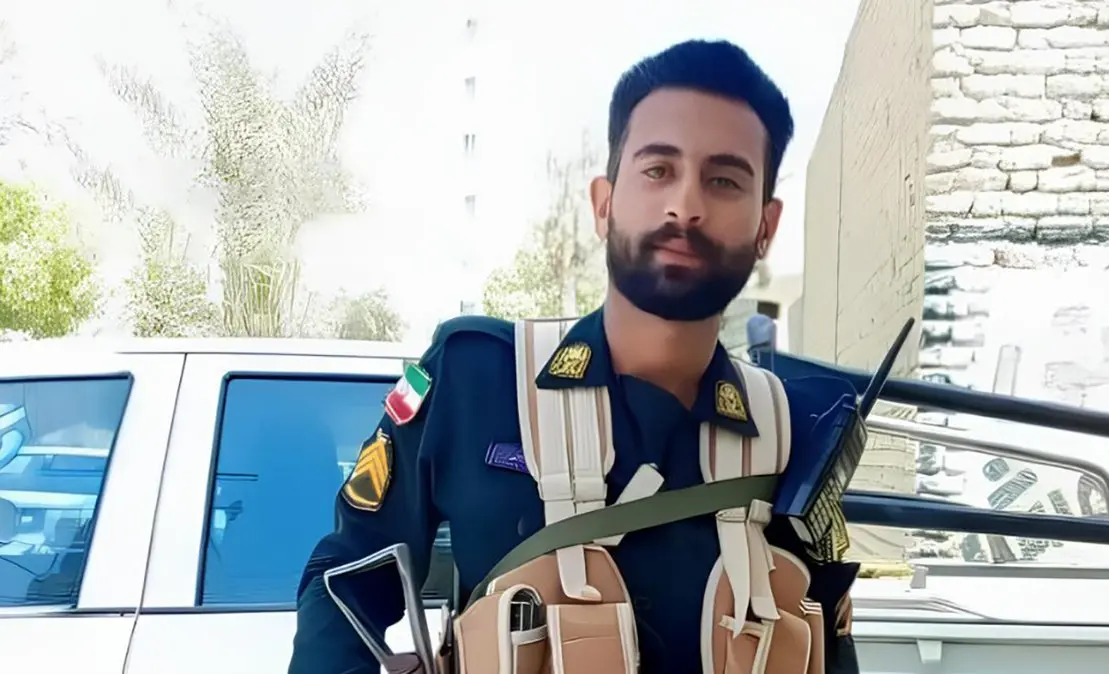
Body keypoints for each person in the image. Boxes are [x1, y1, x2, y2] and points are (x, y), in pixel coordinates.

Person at [289, 39, 860, 674]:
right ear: (604, 203)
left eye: (724, 180)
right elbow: (345, 578)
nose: (686, 205)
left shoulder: (790, 433)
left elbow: (829, 640)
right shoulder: (475, 378)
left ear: (765, 227)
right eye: (658, 170)